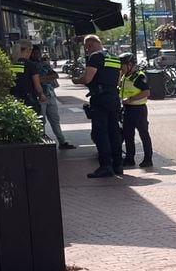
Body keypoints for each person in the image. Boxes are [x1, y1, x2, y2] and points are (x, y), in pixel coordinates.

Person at [72, 34, 123, 178]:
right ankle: (118, 165)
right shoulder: (113, 57)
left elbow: (88, 78)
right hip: (113, 97)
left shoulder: (95, 57)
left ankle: (105, 166)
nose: (87, 51)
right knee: (114, 131)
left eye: (86, 48)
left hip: (100, 98)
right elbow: (118, 80)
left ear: (90, 45)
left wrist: (76, 80)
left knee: (101, 133)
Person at [32, 45, 74, 149]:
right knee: (40, 121)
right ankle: (41, 143)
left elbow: (55, 75)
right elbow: (34, 81)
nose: (38, 54)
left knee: (55, 120)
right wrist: (44, 79)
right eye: (36, 52)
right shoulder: (30, 65)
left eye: (39, 52)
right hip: (38, 96)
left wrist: (41, 79)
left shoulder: (43, 64)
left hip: (50, 95)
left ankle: (62, 141)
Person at [118, 53, 154, 168]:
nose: (120, 68)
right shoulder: (125, 76)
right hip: (127, 110)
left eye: (122, 65)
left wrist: (130, 99)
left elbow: (146, 92)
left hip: (138, 110)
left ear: (130, 65)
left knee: (144, 135)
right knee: (128, 135)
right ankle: (129, 159)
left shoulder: (138, 76)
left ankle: (148, 160)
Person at [9, 39, 46, 116]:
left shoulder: (10, 64)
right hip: (29, 100)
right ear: (28, 50)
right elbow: (37, 85)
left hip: (13, 100)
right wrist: (42, 95)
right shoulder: (30, 65)